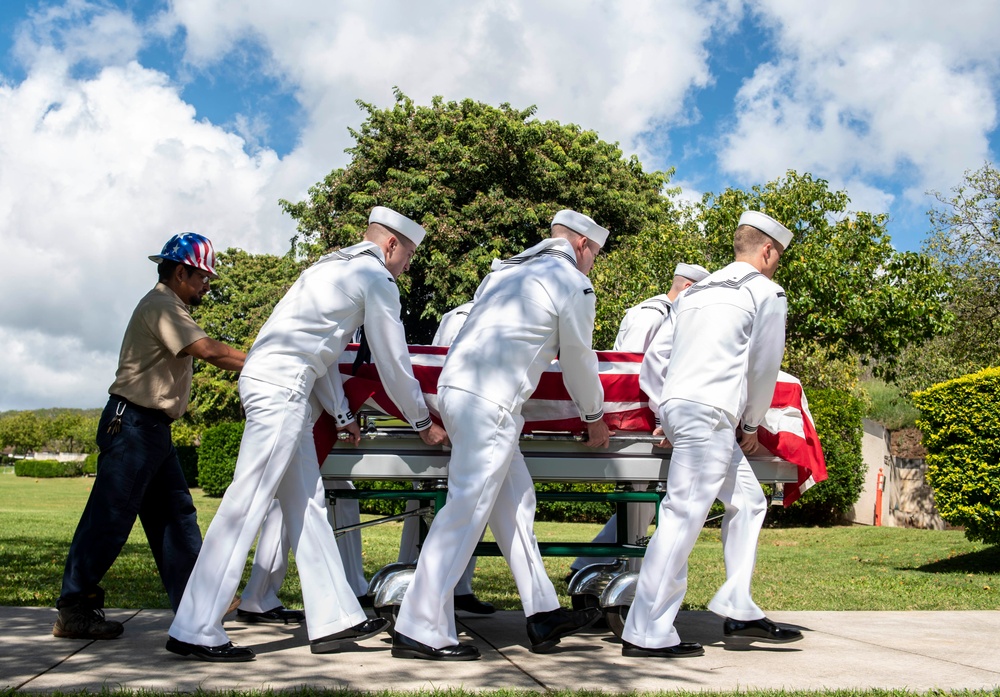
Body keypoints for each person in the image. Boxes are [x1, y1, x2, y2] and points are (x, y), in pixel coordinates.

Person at [166, 206, 447, 662]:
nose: (407, 266)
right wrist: (421, 421)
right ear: (391, 245)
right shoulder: (376, 278)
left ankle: (335, 616)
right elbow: (392, 360)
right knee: (247, 503)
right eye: (408, 255)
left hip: (280, 381)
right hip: (282, 388)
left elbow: (318, 353)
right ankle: (195, 626)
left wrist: (340, 414)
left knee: (307, 502)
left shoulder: (328, 266)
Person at [392, 209, 612, 661]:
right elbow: (578, 359)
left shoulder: (505, 273)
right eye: (595, 256)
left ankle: (543, 613)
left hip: (460, 392)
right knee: (466, 509)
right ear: (583, 246)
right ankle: (418, 626)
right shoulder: (572, 282)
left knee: (515, 506)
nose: (593, 265)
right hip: (491, 402)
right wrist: (594, 415)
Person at [620, 210, 802, 659]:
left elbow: (655, 357)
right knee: (682, 516)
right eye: (778, 257)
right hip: (713, 416)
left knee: (749, 501)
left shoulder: (695, 292)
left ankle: (739, 604)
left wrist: (667, 407)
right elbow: (764, 367)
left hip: (687, 411)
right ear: (768, 251)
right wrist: (753, 424)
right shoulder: (766, 291)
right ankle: (646, 631)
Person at [53, 233, 246, 640]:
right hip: (133, 427)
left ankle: (198, 601)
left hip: (150, 429)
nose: (206, 286)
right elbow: (210, 351)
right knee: (109, 519)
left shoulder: (169, 304)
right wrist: (267, 363)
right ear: (181, 272)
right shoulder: (162, 306)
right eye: (202, 278)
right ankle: (74, 608)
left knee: (176, 516)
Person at [568, 263, 709, 577]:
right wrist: (662, 417)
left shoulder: (659, 313)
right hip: (636, 423)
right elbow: (628, 373)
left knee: (643, 505)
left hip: (647, 419)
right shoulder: (654, 314)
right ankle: (618, 571)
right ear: (687, 289)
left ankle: (605, 567)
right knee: (641, 503)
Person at [394, 300, 494, 616]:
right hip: (446, 423)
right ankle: (409, 574)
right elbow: (438, 369)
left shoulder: (493, 312)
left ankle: (460, 586)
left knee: (473, 507)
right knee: (429, 506)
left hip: (474, 422)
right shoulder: (462, 316)